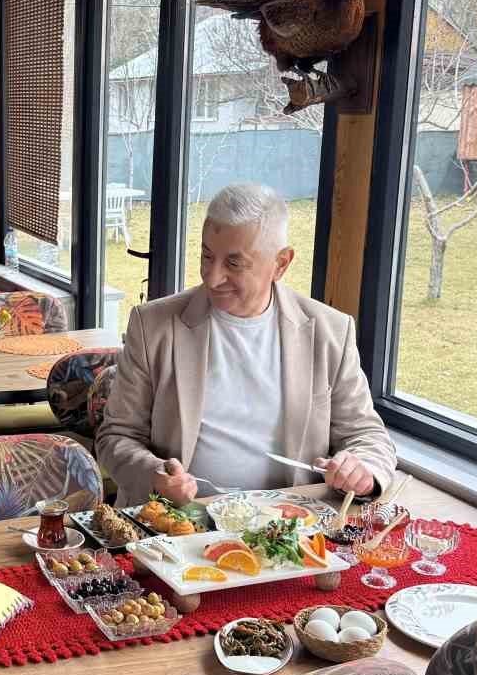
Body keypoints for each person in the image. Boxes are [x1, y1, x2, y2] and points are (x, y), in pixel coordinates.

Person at [96, 182, 396, 507]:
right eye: (207, 256)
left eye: (234, 264)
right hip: (176, 524)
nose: (212, 277)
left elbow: (367, 435)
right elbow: (116, 437)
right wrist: (155, 476)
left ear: (281, 264)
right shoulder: (153, 325)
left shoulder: (329, 331)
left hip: (287, 524)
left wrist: (363, 469)